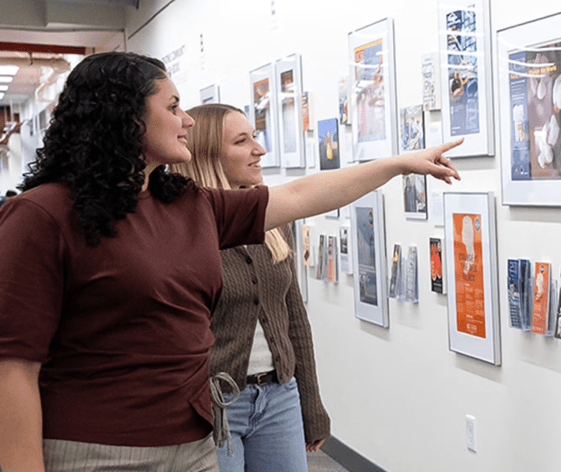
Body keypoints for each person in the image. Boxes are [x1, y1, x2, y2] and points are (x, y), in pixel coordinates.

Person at [0, 52, 461, 472]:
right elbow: (14, 367)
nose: (186, 121)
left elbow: (300, 195)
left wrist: (398, 164)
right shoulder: (42, 216)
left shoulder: (190, 206)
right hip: (97, 452)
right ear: (126, 116)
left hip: (195, 444)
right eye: (173, 107)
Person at [171, 104, 328, 472]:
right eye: (242, 141)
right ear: (208, 154)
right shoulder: (183, 227)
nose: (259, 150)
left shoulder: (273, 221)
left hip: (279, 396)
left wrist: (311, 401)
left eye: (254, 137)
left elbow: (295, 321)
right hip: (213, 402)